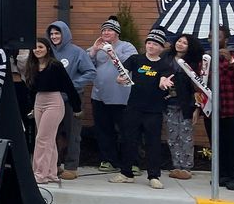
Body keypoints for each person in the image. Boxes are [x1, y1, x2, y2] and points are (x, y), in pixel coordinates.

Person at [110, 30, 177, 189]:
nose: (151, 46)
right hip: (133, 108)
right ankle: (126, 173)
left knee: (153, 143)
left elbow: (163, 79)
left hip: (153, 111)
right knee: (128, 140)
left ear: (161, 47)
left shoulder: (164, 64)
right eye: (149, 43)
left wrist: (163, 84)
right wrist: (121, 78)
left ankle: (153, 175)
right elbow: (123, 73)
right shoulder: (136, 59)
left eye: (155, 44)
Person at [24, 37, 81, 185]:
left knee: (41, 139)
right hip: (38, 102)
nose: (37, 50)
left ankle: (39, 174)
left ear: (48, 49)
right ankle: (50, 173)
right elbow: (31, 90)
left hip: (54, 102)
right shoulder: (32, 66)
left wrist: (77, 107)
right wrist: (30, 107)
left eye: (41, 47)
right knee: (48, 140)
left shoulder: (55, 66)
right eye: (35, 47)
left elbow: (69, 86)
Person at [46, 21, 96, 180]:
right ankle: (54, 165)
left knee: (72, 133)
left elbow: (90, 72)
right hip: (51, 99)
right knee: (52, 133)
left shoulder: (77, 52)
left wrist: (71, 85)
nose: (54, 36)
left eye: (57, 33)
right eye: (52, 34)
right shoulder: (47, 52)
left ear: (65, 34)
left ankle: (71, 166)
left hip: (71, 99)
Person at [87, 16, 137, 173]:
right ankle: (108, 160)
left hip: (122, 98)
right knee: (104, 130)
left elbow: (133, 63)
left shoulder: (126, 46)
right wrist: (94, 50)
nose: (106, 32)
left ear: (117, 33)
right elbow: (86, 63)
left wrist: (112, 52)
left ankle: (131, 162)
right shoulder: (97, 47)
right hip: (99, 96)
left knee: (126, 131)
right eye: (103, 30)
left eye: (109, 30)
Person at [206, 24, 234, 190]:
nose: (213, 40)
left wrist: (231, 60)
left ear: (226, 39)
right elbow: (201, 83)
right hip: (215, 112)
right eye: (211, 37)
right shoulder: (207, 59)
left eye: (217, 37)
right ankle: (222, 174)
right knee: (219, 145)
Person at [167, 33, 204, 181]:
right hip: (168, 103)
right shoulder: (166, 58)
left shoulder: (194, 64)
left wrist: (197, 107)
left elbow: (198, 88)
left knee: (186, 136)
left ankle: (186, 167)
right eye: (179, 41)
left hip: (186, 105)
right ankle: (176, 166)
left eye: (185, 43)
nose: (180, 44)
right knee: (172, 136)